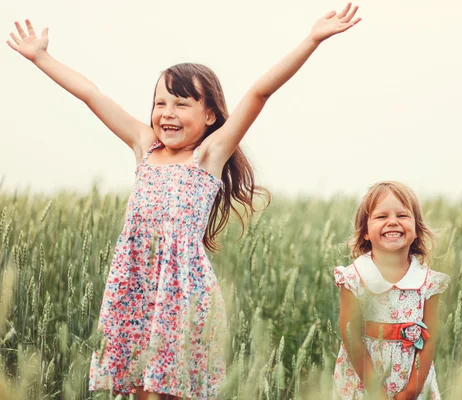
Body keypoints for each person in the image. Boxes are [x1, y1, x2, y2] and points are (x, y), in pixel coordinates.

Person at [7, 4, 361, 399]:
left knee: (172, 389)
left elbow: (260, 91)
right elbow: (91, 94)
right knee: (135, 386)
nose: (168, 113)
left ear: (210, 115)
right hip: (134, 282)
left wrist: (311, 39)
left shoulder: (209, 156)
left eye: (181, 104)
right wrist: (41, 58)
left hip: (182, 292)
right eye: (161, 103)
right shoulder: (145, 146)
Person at [333, 181, 450, 399]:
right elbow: (350, 336)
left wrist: (412, 390)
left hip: (412, 381)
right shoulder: (354, 278)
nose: (392, 222)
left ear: (416, 230)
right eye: (381, 217)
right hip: (363, 382)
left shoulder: (428, 282)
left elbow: (431, 338)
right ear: (366, 232)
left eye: (403, 216)